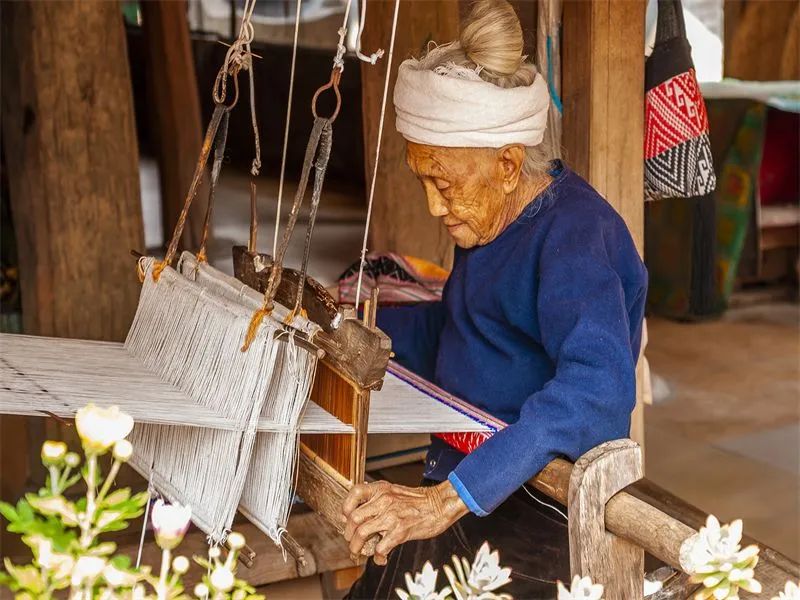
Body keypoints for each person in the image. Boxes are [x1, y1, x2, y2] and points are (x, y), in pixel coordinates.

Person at [342, 1, 648, 597]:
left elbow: (595, 393)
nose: (434, 206)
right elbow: (467, 330)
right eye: (423, 180)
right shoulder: (488, 219)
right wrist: (363, 335)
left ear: (508, 166)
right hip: (466, 477)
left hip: (539, 507)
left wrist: (446, 503)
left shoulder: (576, 237)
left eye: (445, 184)